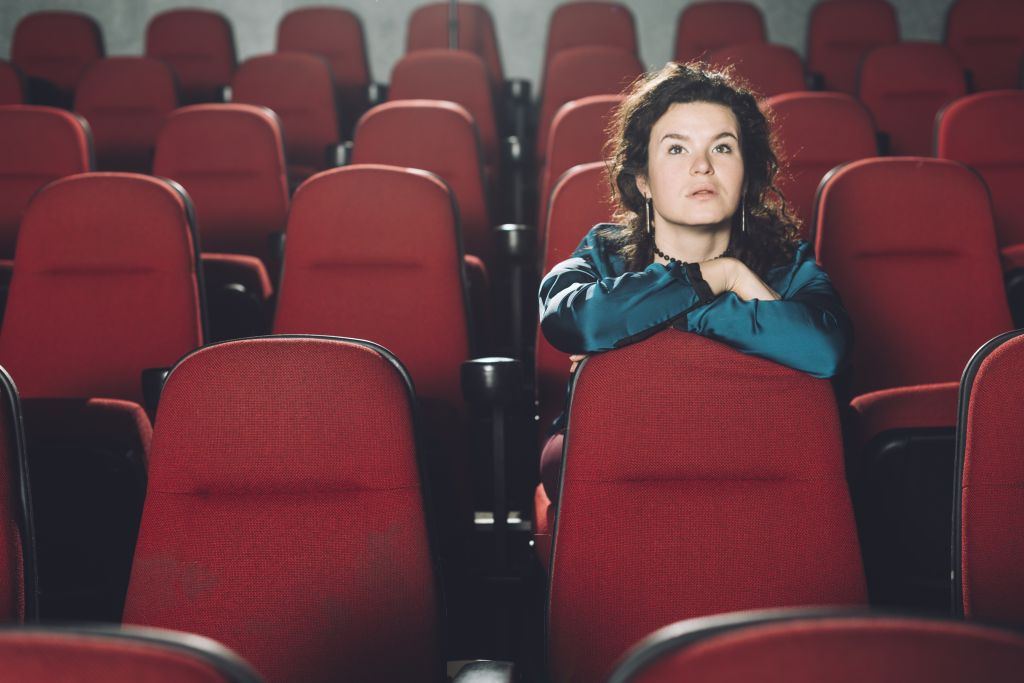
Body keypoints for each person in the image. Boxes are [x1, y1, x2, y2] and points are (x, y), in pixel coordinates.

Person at [537, 62, 853, 502]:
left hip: (750, 467)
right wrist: (716, 277)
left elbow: (824, 351)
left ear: (746, 175)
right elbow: (572, 321)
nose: (702, 166)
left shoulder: (788, 264)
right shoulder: (604, 252)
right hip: (615, 466)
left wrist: (656, 327)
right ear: (643, 181)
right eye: (676, 149)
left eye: (722, 148)